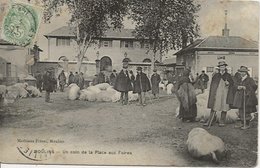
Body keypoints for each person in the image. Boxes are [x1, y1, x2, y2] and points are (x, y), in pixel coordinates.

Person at [204, 61, 234, 127]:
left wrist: (228, 83)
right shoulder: (216, 75)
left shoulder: (228, 75)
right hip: (217, 92)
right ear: (219, 68)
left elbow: (232, 83)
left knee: (224, 106)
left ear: (225, 67)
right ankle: (210, 120)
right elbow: (213, 84)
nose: (222, 68)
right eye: (221, 67)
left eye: (223, 66)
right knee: (214, 105)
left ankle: (222, 121)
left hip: (225, 92)